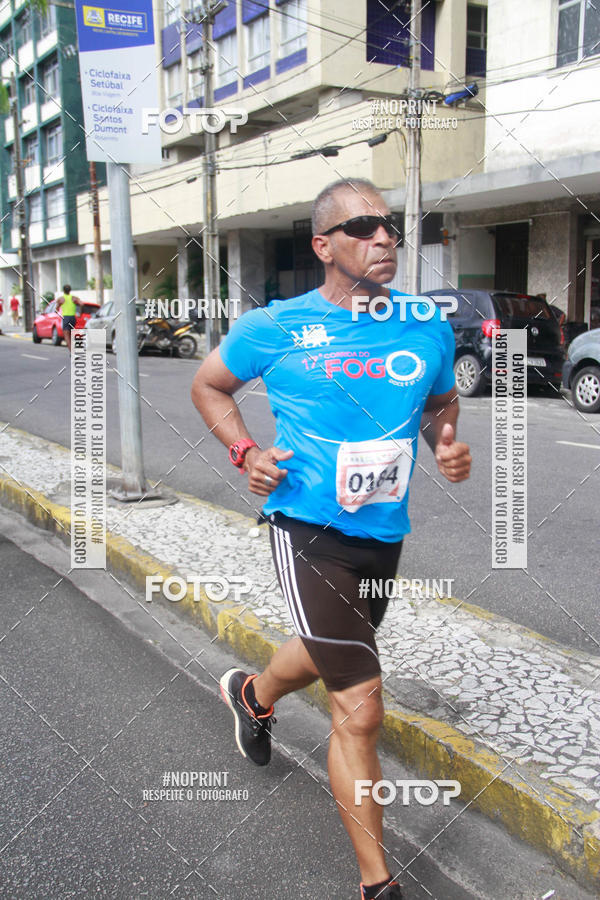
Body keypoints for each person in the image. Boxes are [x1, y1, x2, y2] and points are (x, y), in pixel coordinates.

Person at [191, 178, 472, 900]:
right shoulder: (276, 326)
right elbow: (210, 387)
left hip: (383, 529)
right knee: (362, 703)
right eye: (364, 227)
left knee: (326, 651)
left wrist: (445, 441)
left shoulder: (424, 325)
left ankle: (251, 692)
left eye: (391, 228)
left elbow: (442, 400)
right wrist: (246, 453)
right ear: (323, 246)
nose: (385, 238)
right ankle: (378, 886)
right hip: (305, 525)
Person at [55, 284, 81, 352]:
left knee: (66, 335)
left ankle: (72, 351)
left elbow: (56, 309)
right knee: (72, 334)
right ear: (70, 290)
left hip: (66, 318)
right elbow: (82, 304)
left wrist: (57, 310)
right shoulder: (74, 298)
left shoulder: (61, 299)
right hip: (73, 318)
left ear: (63, 290)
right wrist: (80, 313)